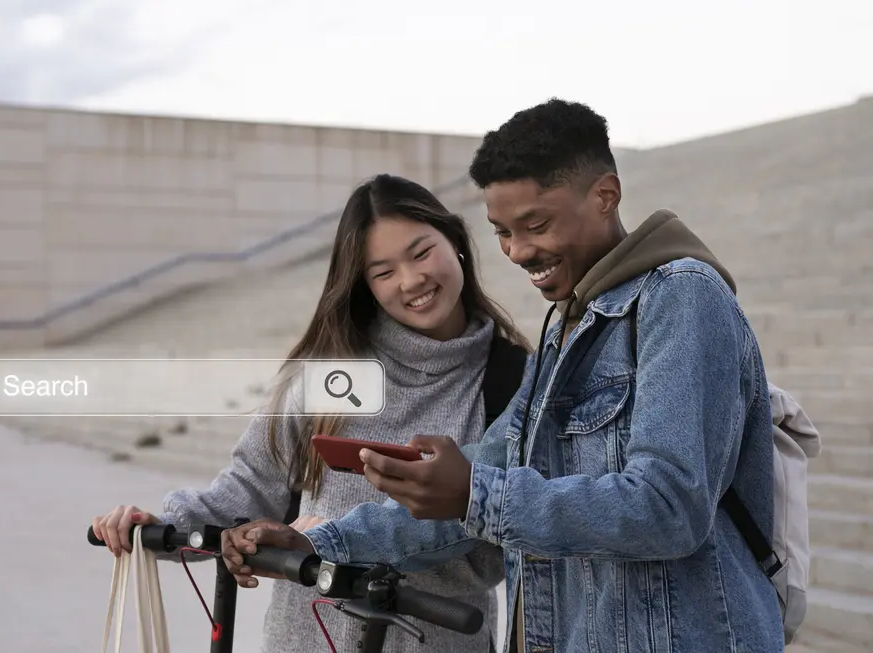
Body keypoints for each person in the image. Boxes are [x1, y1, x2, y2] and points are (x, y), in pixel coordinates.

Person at [222, 99, 786, 653]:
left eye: (534, 224)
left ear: (605, 195)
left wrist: (472, 491)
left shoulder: (681, 297)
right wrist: (314, 540)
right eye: (501, 232)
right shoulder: (566, 326)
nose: (518, 251)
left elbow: (668, 508)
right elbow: (477, 486)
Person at [91, 173, 532, 653]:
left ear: (455, 241)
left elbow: (497, 551)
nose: (411, 280)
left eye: (422, 252)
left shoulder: (513, 379)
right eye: (383, 272)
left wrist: (339, 541)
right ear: (365, 285)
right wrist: (162, 523)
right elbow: (251, 485)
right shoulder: (330, 373)